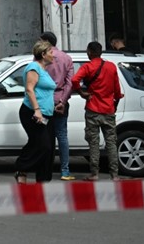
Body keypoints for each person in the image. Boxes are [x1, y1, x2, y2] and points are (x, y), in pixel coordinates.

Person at [72, 41, 124, 180]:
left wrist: (82, 94)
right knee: (111, 142)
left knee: (93, 142)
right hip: (108, 109)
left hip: (93, 109)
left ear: (89, 52)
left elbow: (75, 80)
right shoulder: (111, 66)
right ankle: (115, 174)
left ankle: (94, 173)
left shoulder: (88, 67)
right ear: (101, 52)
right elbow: (117, 90)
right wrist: (115, 104)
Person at [14, 39, 57, 184]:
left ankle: (43, 179)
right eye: (51, 52)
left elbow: (44, 91)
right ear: (43, 54)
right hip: (32, 113)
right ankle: (21, 167)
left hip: (48, 114)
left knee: (48, 148)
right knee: (42, 145)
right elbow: (29, 89)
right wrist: (37, 110)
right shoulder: (33, 67)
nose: (54, 55)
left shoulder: (44, 70)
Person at [40, 31, 74, 181]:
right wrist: (63, 101)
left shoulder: (42, 57)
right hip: (61, 100)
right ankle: (65, 170)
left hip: (45, 102)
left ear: (46, 41)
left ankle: (46, 168)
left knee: (46, 136)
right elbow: (70, 82)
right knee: (62, 136)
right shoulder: (66, 58)